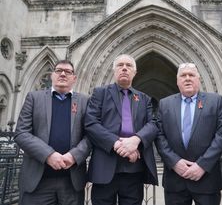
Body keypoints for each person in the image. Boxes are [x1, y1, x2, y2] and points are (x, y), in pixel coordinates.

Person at [14, 60, 91, 205]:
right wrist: (48, 155)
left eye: (68, 72)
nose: (63, 74)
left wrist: (74, 156)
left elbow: (90, 136)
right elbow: (21, 133)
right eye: (58, 70)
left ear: (74, 78)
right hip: (38, 182)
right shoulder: (34, 98)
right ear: (52, 75)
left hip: (71, 182)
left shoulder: (84, 101)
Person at [85, 54, 158, 205]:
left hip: (134, 169)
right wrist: (118, 144)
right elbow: (91, 123)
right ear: (114, 71)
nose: (124, 68)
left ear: (134, 72)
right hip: (104, 167)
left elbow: (153, 124)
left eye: (129, 65)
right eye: (120, 65)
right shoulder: (100, 93)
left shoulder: (144, 98)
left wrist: (136, 140)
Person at [155, 63, 222, 205]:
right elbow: (159, 135)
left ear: (198, 79)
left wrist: (202, 165)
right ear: (177, 81)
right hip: (175, 180)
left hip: (207, 179)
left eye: (192, 75)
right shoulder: (165, 104)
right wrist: (175, 162)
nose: (187, 78)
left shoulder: (215, 101)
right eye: (183, 75)